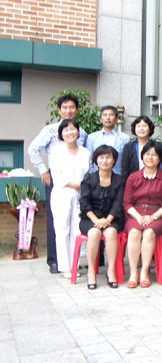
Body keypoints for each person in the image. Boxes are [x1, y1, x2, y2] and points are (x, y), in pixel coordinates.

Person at [28, 94, 87, 274]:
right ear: (59, 110)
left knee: (76, 226)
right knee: (58, 224)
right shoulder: (50, 130)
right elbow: (33, 149)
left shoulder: (82, 133)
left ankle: (73, 261)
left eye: (71, 107)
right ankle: (56, 262)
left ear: (76, 110)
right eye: (65, 107)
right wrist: (43, 171)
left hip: (78, 186)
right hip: (57, 181)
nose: (68, 110)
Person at [123, 141, 162, 288]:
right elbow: (127, 203)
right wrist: (138, 217)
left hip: (158, 215)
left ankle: (145, 271)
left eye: (154, 155)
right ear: (142, 156)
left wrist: (153, 217)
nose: (150, 158)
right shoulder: (133, 177)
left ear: (160, 158)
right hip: (136, 214)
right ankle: (133, 272)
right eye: (147, 154)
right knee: (134, 232)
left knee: (149, 232)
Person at [79, 145, 125, 289]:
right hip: (90, 219)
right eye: (101, 157)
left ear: (114, 160)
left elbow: (118, 203)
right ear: (96, 160)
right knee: (94, 232)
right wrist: (96, 221)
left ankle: (111, 271)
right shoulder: (88, 179)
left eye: (108, 157)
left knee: (110, 232)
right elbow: (84, 203)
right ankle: (91, 272)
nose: (105, 160)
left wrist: (108, 220)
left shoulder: (119, 180)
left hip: (112, 218)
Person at [50, 119, 91, 278]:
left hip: (80, 195)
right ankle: (65, 267)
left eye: (73, 129)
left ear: (78, 132)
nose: (70, 133)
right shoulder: (56, 151)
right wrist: (77, 185)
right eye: (66, 130)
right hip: (62, 193)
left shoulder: (85, 152)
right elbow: (56, 176)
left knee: (76, 230)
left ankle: (74, 265)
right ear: (61, 134)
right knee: (62, 230)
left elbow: (87, 174)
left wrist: (83, 188)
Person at [86, 106, 130, 175]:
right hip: (97, 177)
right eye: (105, 115)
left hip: (118, 177)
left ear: (116, 119)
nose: (108, 117)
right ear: (100, 119)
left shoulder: (125, 138)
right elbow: (89, 160)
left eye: (111, 115)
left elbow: (126, 161)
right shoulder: (92, 138)